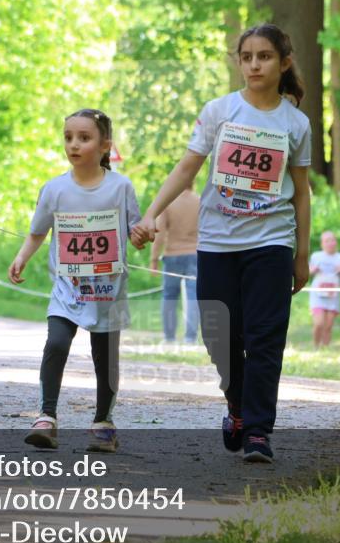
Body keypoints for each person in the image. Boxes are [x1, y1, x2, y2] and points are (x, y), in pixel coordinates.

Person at [131, 23, 312, 464]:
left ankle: (257, 431)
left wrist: (302, 255)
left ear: (283, 63)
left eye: (264, 56)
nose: (254, 64)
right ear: (238, 61)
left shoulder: (295, 123)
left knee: (265, 337)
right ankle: (236, 402)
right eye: (246, 56)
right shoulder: (219, 111)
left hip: (271, 241)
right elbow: (186, 170)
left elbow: (302, 191)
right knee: (219, 333)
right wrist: (151, 213)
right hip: (216, 243)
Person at [9, 109, 141, 453]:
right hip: (68, 290)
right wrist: (22, 257)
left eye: (84, 138)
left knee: (105, 359)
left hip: (108, 292)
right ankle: (46, 417)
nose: (74, 144)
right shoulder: (54, 189)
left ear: (104, 146)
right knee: (56, 344)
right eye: (69, 137)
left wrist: (144, 234)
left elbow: (136, 232)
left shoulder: (121, 187)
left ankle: (103, 423)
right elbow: (38, 232)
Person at [150, 185, 200, 345]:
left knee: (169, 296)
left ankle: (169, 338)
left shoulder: (168, 202)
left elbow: (159, 233)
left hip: (172, 255)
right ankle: (190, 338)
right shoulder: (199, 201)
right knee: (193, 297)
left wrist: (154, 259)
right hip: (195, 255)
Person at [309, 231, 340, 348]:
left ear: (336, 242)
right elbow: (307, 273)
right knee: (319, 323)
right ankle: (315, 347)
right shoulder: (316, 256)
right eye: (327, 241)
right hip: (317, 295)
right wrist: (312, 270)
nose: (330, 243)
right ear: (322, 244)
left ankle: (325, 349)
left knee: (328, 325)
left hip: (333, 295)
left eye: (332, 240)